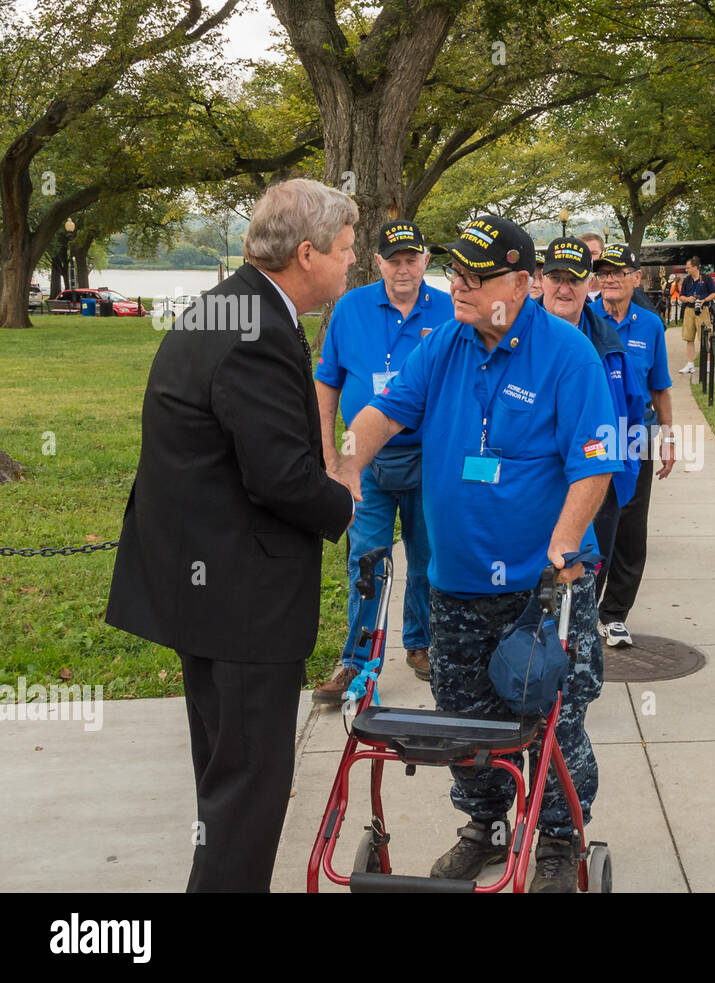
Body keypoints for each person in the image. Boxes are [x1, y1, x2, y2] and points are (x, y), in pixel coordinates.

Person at [334, 214, 621, 892]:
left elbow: (595, 461)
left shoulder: (566, 355)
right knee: (463, 720)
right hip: (456, 584)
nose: (456, 285)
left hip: (541, 590)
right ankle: (487, 825)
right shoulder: (444, 345)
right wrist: (344, 472)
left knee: (555, 721)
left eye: (475, 275)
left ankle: (556, 836)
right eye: (455, 272)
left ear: (521, 283)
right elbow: (382, 415)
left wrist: (562, 540)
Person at [106, 178, 358, 891]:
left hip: (205, 593)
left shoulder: (224, 307)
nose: (351, 263)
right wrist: (341, 500)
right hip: (243, 608)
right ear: (306, 254)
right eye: (344, 251)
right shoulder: (256, 332)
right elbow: (277, 475)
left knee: (226, 793)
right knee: (246, 800)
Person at [312, 219, 454, 702]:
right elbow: (327, 381)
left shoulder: (450, 309)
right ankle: (356, 660)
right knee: (366, 560)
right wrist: (330, 453)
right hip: (364, 465)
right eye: (393, 260)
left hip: (429, 461)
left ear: (425, 262)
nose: (402, 269)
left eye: (411, 259)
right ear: (377, 263)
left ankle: (422, 644)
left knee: (426, 558)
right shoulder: (350, 308)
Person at [539, 236, 645, 607]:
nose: (564, 288)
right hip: (533, 482)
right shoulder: (513, 334)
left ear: (590, 284)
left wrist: (622, 478)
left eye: (574, 279)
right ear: (541, 278)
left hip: (596, 483)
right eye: (556, 277)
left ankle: (573, 652)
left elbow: (633, 413)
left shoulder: (609, 343)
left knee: (582, 582)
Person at [594, 244, 675, 649]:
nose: (610, 278)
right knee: (591, 521)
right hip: (591, 436)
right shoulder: (585, 319)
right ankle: (581, 606)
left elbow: (659, 386)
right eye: (603, 271)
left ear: (636, 278)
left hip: (636, 435)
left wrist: (670, 436)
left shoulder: (650, 326)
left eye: (618, 271)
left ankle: (614, 614)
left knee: (630, 524)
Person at [678, 256, 715, 373]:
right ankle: (690, 365)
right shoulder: (686, 280)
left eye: (688, 268)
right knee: (689, 338)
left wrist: (704, 300)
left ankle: (708, 364)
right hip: (689, 310)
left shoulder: (706, 278)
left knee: (705, 338)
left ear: (695, 267)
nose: (686, 270)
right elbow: (681, 296)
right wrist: (687, 299)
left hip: (702, 310)